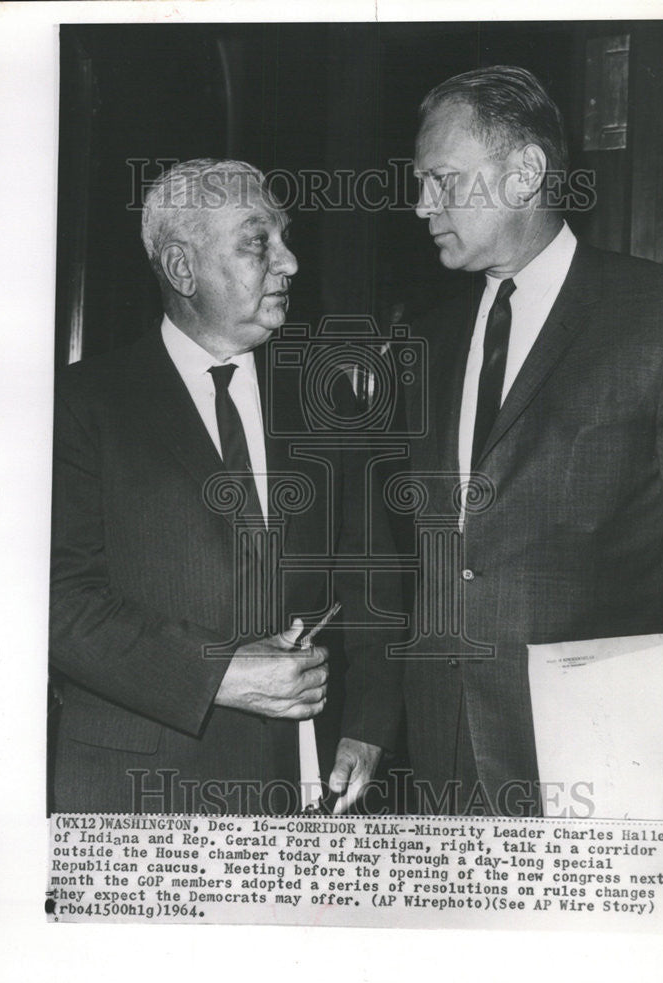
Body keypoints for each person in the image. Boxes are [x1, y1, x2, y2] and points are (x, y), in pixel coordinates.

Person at [49, 158, 400, 815]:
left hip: (310, 785)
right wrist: (216, 676)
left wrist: (368, 725)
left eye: (283, 237)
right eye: (257, 241)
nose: (290, 263)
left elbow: (371, 580)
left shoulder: (328, 402)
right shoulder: (78, 406)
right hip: (141, 795)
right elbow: (56, 601)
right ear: (182, 269)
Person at [402, 66, 663, 818]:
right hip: (441, 755)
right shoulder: (428, 337)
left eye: (440, 180)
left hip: (605, 751)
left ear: (525, 172)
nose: (419, 205)